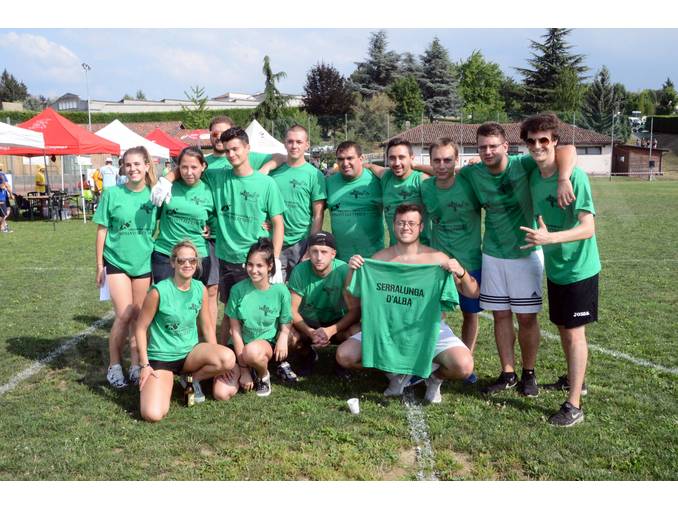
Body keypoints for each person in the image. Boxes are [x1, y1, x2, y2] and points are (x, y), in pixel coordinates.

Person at [458, 122, 576, 397]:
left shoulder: (523, 164)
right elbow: (444, 171)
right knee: (500, 315)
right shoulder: (473, 172)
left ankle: (529, 373)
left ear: (505, 146)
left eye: (493, 146)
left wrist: (563, 179)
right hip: (492, 254)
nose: (487, 151)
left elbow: (568, 149)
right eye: (482, 147)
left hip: (526, 252)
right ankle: (508, 373)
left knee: (526, 318)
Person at [336, 203, 478, 404]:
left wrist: (461, 272)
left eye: (412, 223)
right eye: (401, 223)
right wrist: (352, 270)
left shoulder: (437, 260)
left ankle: (435, 378)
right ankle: (395, 374)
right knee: (344, 356)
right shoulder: (379, 260)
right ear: (393, 226)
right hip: (387, 329)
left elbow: (473, 292)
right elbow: (351, 296)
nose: (406, 227)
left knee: (464, 366)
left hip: (428, 329)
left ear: (421, 227)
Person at [519, 113, 601, 426]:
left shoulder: (575, 177)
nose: (538, 146)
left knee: (575, 334)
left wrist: (549, 238)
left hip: (579, 268)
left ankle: (574, 405)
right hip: (556, 268)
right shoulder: (534, 175)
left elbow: (588, 228)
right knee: (565, 329)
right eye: (532, 141)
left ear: (554, 141)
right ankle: (574, 381)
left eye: (545, 140)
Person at [135, 241, 236, 422]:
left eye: (192, 260)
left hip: (190, 354)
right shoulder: (158, 291)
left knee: (227, 358)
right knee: (153, 414)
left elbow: (207, 326)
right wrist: (144, 365)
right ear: (173, 263)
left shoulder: (200, 288)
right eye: (182, 261)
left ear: (197, 263)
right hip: (163, 357)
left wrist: (216, 358)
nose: (187, 264)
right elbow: (140, 328)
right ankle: (165, 382)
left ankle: (191, 379)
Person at [93, 146, 158, 389]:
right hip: (116, 261)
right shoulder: (112, 194)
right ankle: (114, 366)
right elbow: (102, 230)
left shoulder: (155, 194)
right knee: (124, 314)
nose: (133, 169)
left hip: (143, 263)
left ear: (146, 166)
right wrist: (99, 265)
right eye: (128, 165)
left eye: (137, 164)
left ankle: (136, 365)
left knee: (139, 317)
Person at [421, 138, 482, 383]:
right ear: (430, 162)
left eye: (448, 160)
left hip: (470, 260)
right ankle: (432, 358)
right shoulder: (426, 188)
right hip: (438, 263)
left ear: (457, 160)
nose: (442, 165)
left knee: (471, 314)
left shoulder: (470, 182)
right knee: (436, 314)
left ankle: (468, 358)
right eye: (436, 160)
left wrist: (477, 162)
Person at [225, 238, 293, 397]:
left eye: (259, 265)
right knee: (222, 393)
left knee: (252, 352)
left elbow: (286, 322)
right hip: (240, 345)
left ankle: (263, 375)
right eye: (250, 264)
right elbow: (235, 330)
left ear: (270, 266)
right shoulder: (237, 290)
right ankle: (249, 370)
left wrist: (283, 336)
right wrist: (243, 370)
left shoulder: (281, 291)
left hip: (263, 345)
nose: (253, 270)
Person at [287, 231, 360, 375]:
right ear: (308, 252)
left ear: (333, 254)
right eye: (314, 251)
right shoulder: (300, 271)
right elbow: (291, 310)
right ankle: (307, 355)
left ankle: (342, 361)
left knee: (357, 331)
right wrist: (310, 332)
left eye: (324, 252)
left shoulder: (345, 270)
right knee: (289, 337)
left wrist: (331, 330)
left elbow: (356, 311)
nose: (319, 257)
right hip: (308, 323)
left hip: (338, 323)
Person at [151, 147, 215, 292]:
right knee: (166, 301)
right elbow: (152, 216)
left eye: (194, 167)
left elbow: (216, 219)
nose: (189, 172)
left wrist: (210, 228)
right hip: (166, 254)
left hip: (197, 256)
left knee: (193, 302)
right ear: (178, 168)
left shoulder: (209, 191)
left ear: (203, 166)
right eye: (184, 167)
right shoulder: (167, 187)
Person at [269, 125, 327, 281]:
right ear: (284, 143)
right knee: (274, 287)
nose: (294, 146)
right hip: (274, 241)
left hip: (301, 242)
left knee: (299, 289)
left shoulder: (315, 175)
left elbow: (318, 215)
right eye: (290, 141)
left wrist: (311, 246)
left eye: (299, 142)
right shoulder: (274, 172)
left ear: (307, 144)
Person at [325, 141, 384, 262]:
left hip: (372, 259)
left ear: (361, 159)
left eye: (350, 158)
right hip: (340, 260)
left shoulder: (376, 181)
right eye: (340, 159)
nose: (345, 163)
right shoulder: (329, 183)